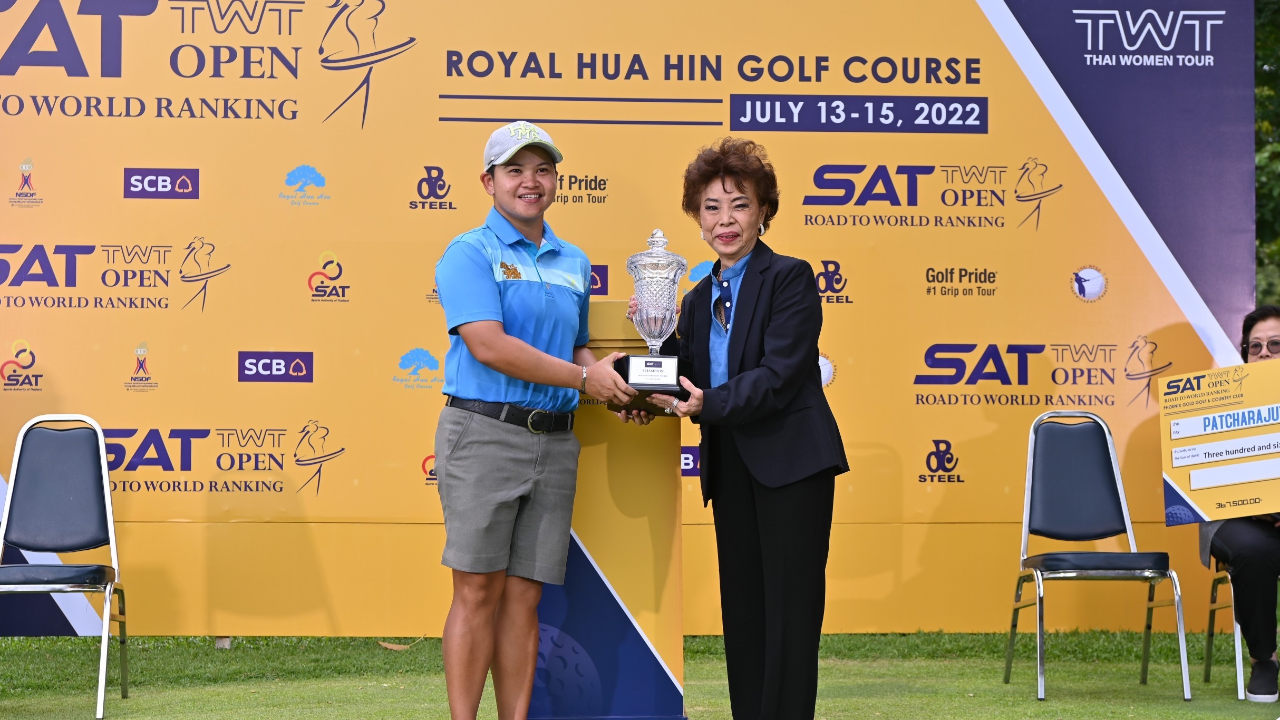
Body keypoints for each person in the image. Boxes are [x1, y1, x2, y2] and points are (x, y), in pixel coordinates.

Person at [625, 137, 848, 719]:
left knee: (790, 615)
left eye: (739, 205)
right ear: (697, 220)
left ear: (763, 211)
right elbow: (686, 376)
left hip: (792, 465)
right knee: (744, 613)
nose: (725, 220)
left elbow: (779, 375)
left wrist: (707, 403)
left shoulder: (790, 278)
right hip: (730, 468)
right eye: (711, 208)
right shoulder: (697, 298)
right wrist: (641, 390)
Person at [433, 120, 636, 720]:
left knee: (525, 596)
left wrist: (617, 386)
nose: (530, 181)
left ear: (555, 182)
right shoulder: (469, 252)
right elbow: (488, 345)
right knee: (477, 589)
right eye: (515, 170)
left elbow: (576, 349)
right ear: (488, 182)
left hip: (554, 442)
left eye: (542, 170)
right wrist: (584, 379)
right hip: (484, 433)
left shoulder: (573, 260)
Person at [1201, 304, 1280, 702]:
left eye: (1275, 345)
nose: (1264, 353)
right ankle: (1264, 660)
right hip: (1234, 517)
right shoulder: (1217, 400)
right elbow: (1204, 475)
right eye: (1255, 346)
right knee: (1253, 551)